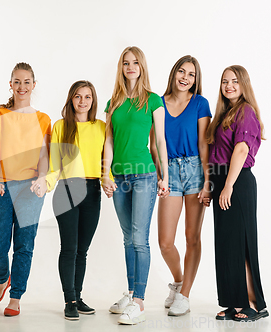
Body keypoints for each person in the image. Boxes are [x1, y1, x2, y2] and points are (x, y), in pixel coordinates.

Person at [101, 46, 169, 325]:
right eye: (126, 63)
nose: (130, 67)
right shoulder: (113, 102)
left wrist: (165, 176)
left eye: (135, 62)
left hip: (144, 175)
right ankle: (131, 293)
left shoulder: (153, 101)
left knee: (140, 238)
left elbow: (160, 142)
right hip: (119, 177)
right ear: (121, 68)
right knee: (128, 237)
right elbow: (109, 142)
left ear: (142, 67)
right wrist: (105, 174)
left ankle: (139, 301)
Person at [0, 62, 51, 317]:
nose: (21, 86)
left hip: (30, 189)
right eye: (17, 81)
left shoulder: (44, 119)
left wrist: (42, 178)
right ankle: (3, 279)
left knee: (24, 245)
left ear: (34, 85)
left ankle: (15, 297)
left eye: (26, 82)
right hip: (0, 186)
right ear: (10, 84)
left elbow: (44, 155)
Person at [150, 55, 211, 316]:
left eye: (191, 74)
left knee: (191, 237)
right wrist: (160, 174)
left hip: (195, 169)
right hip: (169, 171)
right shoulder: (157, 103)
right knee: (165, 241)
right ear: (174, 73)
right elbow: (153, 144)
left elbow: (204, 145)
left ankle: (184, 295)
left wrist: (208, 181)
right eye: (182, 72)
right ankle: (178, 282)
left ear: (196, 80)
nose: (185, 78)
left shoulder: (200, 103)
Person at [206, 65, 269, 322]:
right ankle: (235, 302)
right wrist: (214, 186)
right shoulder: (224, 114)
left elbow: (241, 151)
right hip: (223, 180)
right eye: (224, 81)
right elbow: (215, 154)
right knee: (227, 245)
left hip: (237, 182)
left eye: (234, 81)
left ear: (243, 84)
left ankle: (254, 304)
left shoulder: (245, 111)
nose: (229, 85)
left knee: (242, 244)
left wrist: (228, 185)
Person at [45, 80, 108, 320]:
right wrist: (47, 184)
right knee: (69, 248)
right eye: (78, 96)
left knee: (83, 249)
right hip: (67, 190)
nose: (82, 101)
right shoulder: (61, 126)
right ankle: (69, 299)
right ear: (71, 99)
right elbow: (54, 163)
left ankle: (78, 296)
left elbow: (106, 159)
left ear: (93, 101)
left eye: (87, 97)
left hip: (92, 191)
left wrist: (107, 180)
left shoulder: (101, 126)